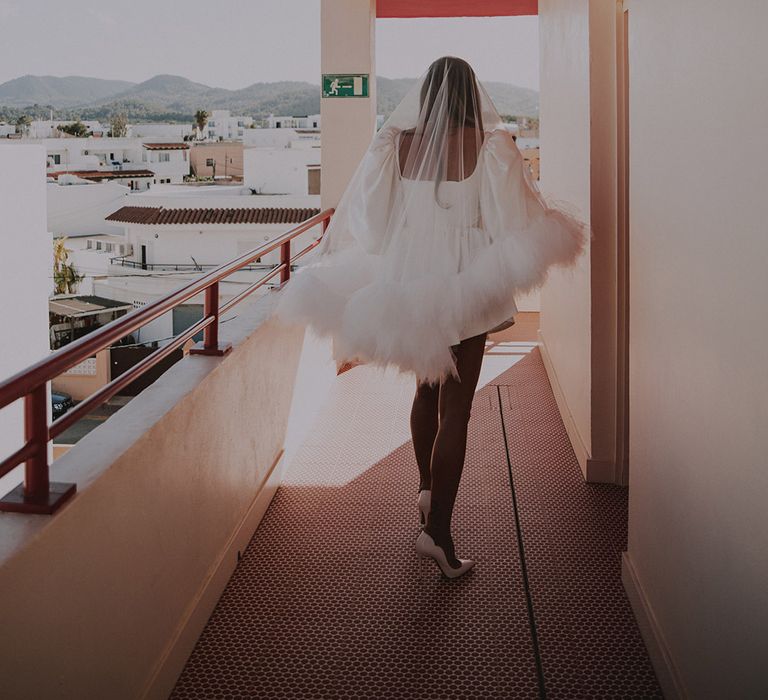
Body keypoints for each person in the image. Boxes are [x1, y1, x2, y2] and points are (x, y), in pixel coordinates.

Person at [271, 56, 588, 579]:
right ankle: (438, 531)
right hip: (466, 284)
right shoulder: (492, 146)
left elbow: (371, 224)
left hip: (409, 282)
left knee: (424, 391)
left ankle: (424, 492)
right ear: (471, 93)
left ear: (426, 94)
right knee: (457, 409)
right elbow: (511, 221)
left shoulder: (394, 143)